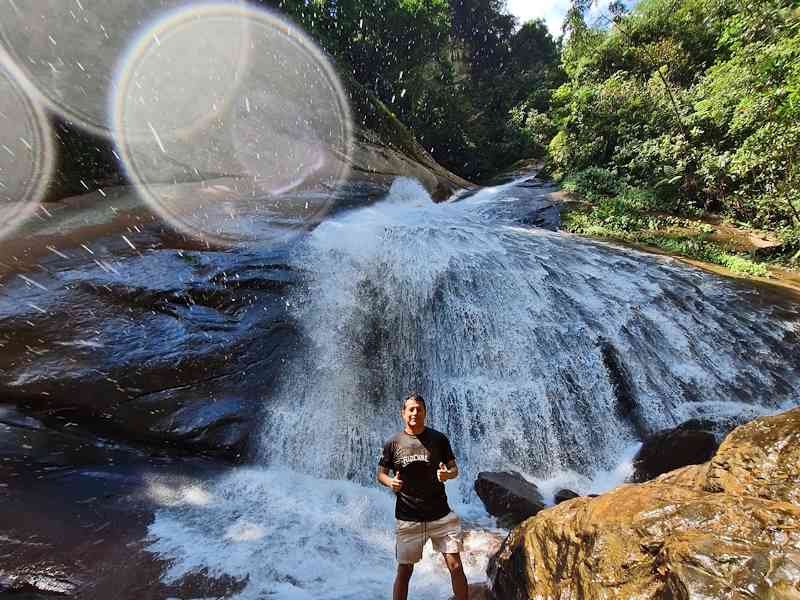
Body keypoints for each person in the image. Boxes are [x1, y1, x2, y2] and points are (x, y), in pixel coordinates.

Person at [377, 391, 469, 600]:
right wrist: (391, 482)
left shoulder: (439, 439)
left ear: (425, 412)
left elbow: (454, 469)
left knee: (455, 565)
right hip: (409, 517)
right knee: (405, 571)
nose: (415, 413)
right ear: (403, 413)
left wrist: (448, 474)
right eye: (411, 409)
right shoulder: (393, 443)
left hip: (441, 515)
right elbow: (380, 474)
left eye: (419, 409)